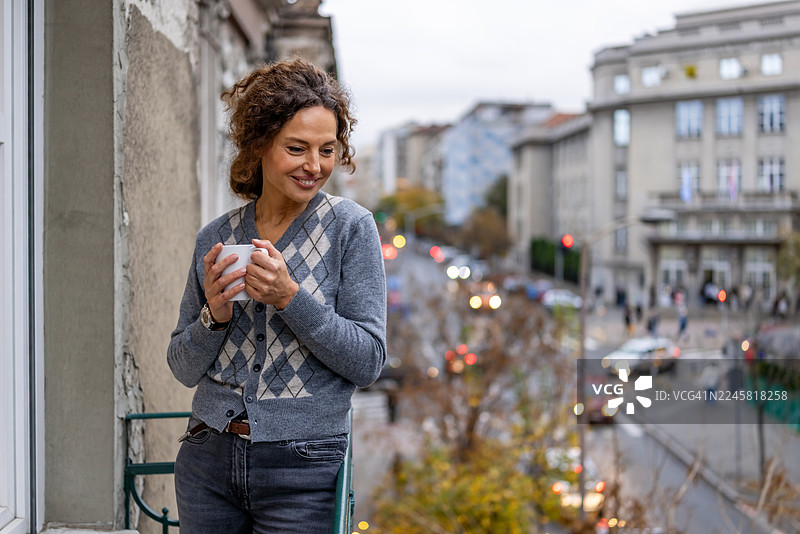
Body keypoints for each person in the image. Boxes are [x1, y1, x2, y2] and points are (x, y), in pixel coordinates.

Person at [167, 58, 387, 534]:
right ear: (261, 145)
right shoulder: (216, 238)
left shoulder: (352, 228)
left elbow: (368, 361)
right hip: (208, 460)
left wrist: (291, 297)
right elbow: (182, 367)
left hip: (303, 470)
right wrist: (215, 316)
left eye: (328, 150)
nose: (315, 166)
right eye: (297, 148)